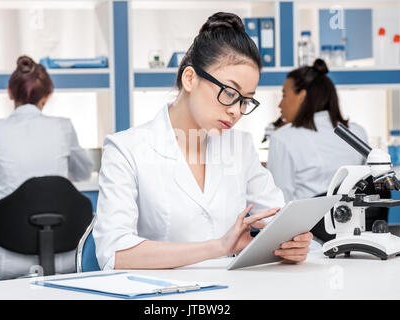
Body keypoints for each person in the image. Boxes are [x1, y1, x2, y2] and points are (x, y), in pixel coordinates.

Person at [93, 12, 313, 271]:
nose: (236, 111)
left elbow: (279, 218)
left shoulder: (240, 146)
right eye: (230, 93)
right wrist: (220, 247)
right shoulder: (126, 149)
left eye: (245, 100)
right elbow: (115, 254)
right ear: (190, 78)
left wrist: (294, 243)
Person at [0, 55, 93, 279]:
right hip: (65, 259)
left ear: (10, 92)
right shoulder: (63, 126)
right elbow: (84, 172)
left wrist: (1, 173)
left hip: (6, 263)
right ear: (47, 97)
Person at [266, 59, 370, 241]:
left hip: (308, 245)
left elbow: (279, 206)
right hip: (357, 238)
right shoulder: (357, 132)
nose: (280, 104)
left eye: (284, 95)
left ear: (301, 96)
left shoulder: (283, 138)